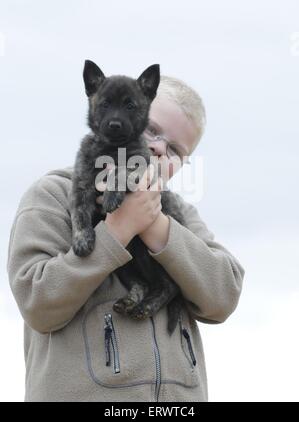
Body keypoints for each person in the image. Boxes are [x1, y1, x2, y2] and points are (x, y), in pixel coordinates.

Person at [7, 75, 244, 402]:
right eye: (152, 129)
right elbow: (38, 302)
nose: (159, 147)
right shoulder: (54, 194)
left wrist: (155, 226)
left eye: (175, 149)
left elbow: (224, 295)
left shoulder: (181, 213)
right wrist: (118, 230)